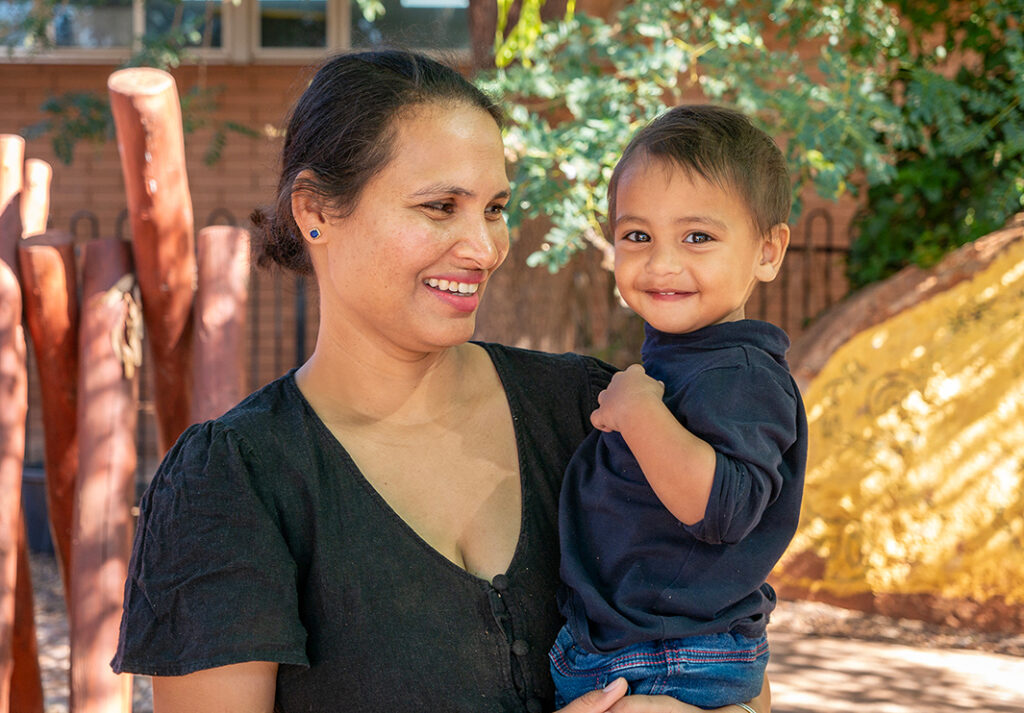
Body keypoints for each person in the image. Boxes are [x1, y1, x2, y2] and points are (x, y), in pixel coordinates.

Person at [111, 50, 770, 713]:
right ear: (315, 211)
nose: (485, 247)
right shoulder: (233, 481)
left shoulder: (593, 410)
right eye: (440, 206)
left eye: (493, 207)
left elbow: (734, 657)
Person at [551, 105, 807, 710]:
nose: (662, 262)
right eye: (637, 236)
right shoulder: (686, 359)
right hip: (632, 645)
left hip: (674, 658)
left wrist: (640, 413)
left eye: (698, 237)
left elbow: (721, 508)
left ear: (768, 252)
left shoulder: (740, 373)